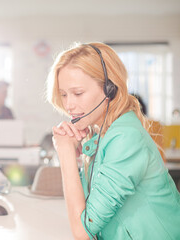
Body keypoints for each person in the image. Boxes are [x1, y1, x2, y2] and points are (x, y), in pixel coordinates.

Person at [47, 42, 180, 239]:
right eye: (64, 94)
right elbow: (86, 210)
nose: (68, 105)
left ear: (109, 89)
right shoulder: (99, 134)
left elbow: (83, 231)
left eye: (78, 93)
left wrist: (65, 152)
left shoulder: (126, 138)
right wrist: (76, 154)